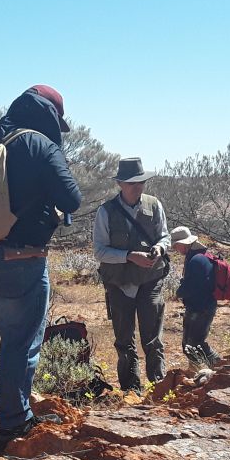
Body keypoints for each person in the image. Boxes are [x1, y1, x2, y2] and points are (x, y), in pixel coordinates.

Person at [0, 85, 81, 452]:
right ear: (50, 115)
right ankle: (13, 421)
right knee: (20, 339)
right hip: (21, 259)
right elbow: (72, 198)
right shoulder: (39, 145)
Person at [93, 158, 171, 392]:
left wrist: (160, 248)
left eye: (141, 182)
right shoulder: (105, 211)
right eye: (131, 183)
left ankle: (159, 387)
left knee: (153, 339)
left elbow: (165, 236)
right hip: (119, 283)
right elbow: (99, 251)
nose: (137, 187)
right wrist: (128, 255)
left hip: (150, 281)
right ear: (119, 183)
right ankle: (131, 390)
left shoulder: (154, 205)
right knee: (124, 340)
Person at [171, 226, 221, 366]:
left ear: (184, 243)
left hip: (201, 309)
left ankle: (221, 366)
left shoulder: (196, 260)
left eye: (176, 245)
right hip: (200, 307)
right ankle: (195, 372)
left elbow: (192, 286)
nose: (175, 249)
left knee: (195, 344)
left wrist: (179, 292)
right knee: (189, 346)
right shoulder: (198, 256)